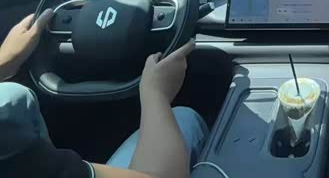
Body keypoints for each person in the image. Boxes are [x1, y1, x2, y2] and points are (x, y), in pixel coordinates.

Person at [0, 10, 208, 178]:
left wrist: (3, 64)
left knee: (14, 95)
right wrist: (156, 94)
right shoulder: (10, 151)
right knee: (182, 117)